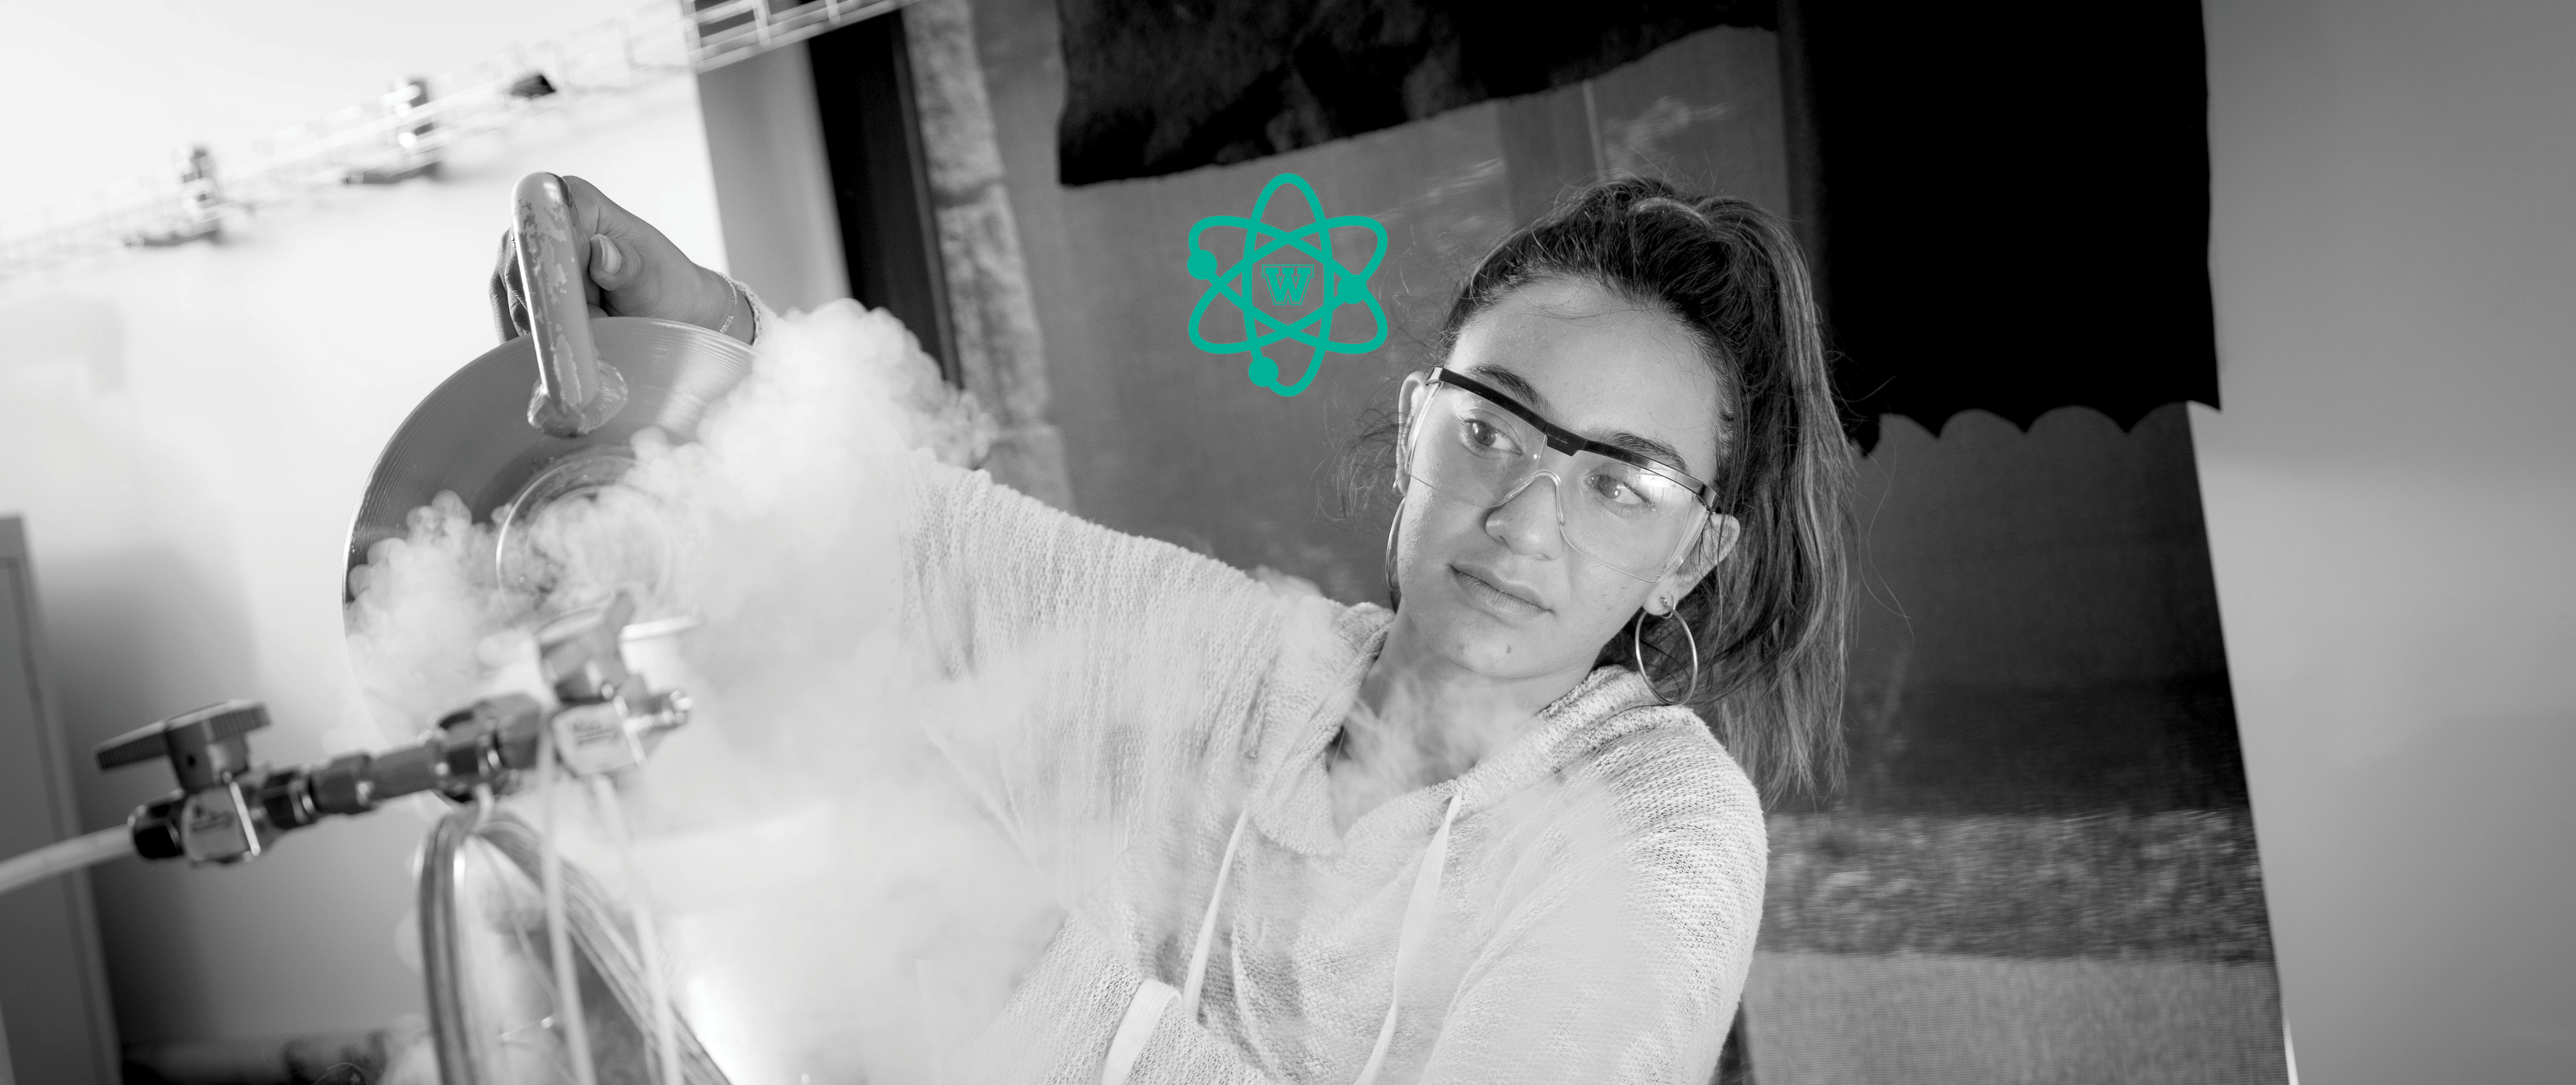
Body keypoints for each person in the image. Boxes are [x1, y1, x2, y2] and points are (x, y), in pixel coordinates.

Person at [493, 174, 1852, 1084]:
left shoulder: (1660, 823)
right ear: (1412, 433)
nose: (1523, 520)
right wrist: (701, 333)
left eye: (1617, 481)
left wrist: (1029, 981)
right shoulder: (1243, 669)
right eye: (1489, 429)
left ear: (1692, 555)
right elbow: (917, 539)